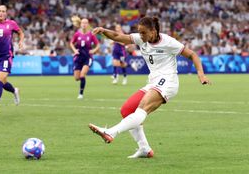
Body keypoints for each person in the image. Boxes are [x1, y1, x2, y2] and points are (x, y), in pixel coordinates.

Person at [89, 16, 211, 158]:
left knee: (141, 109)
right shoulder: (142, 39)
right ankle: (144, 149)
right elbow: (118, 36)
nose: (140, 35)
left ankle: (110, 132)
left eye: (143, 32)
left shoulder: (168, 42)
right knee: (127, 110)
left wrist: (201, 75)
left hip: (168, 81)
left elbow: (192, 55)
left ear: (153, 31)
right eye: (139, 32)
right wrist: (103, 30)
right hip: (153, 82)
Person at [69, 18, 100, 99]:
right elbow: (71, 43)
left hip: (88, 57)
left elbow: (98, 45)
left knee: (82, 75)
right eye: (83, 23)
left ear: (88, 24)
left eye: (86, 23)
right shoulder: (77, 34)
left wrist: (93, 50)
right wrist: (75, 50)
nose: (84, 24)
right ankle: (81, 82)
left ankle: (81, 93)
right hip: (78, 57)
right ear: (80, 24)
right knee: (76, 78)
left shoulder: (91, 34)